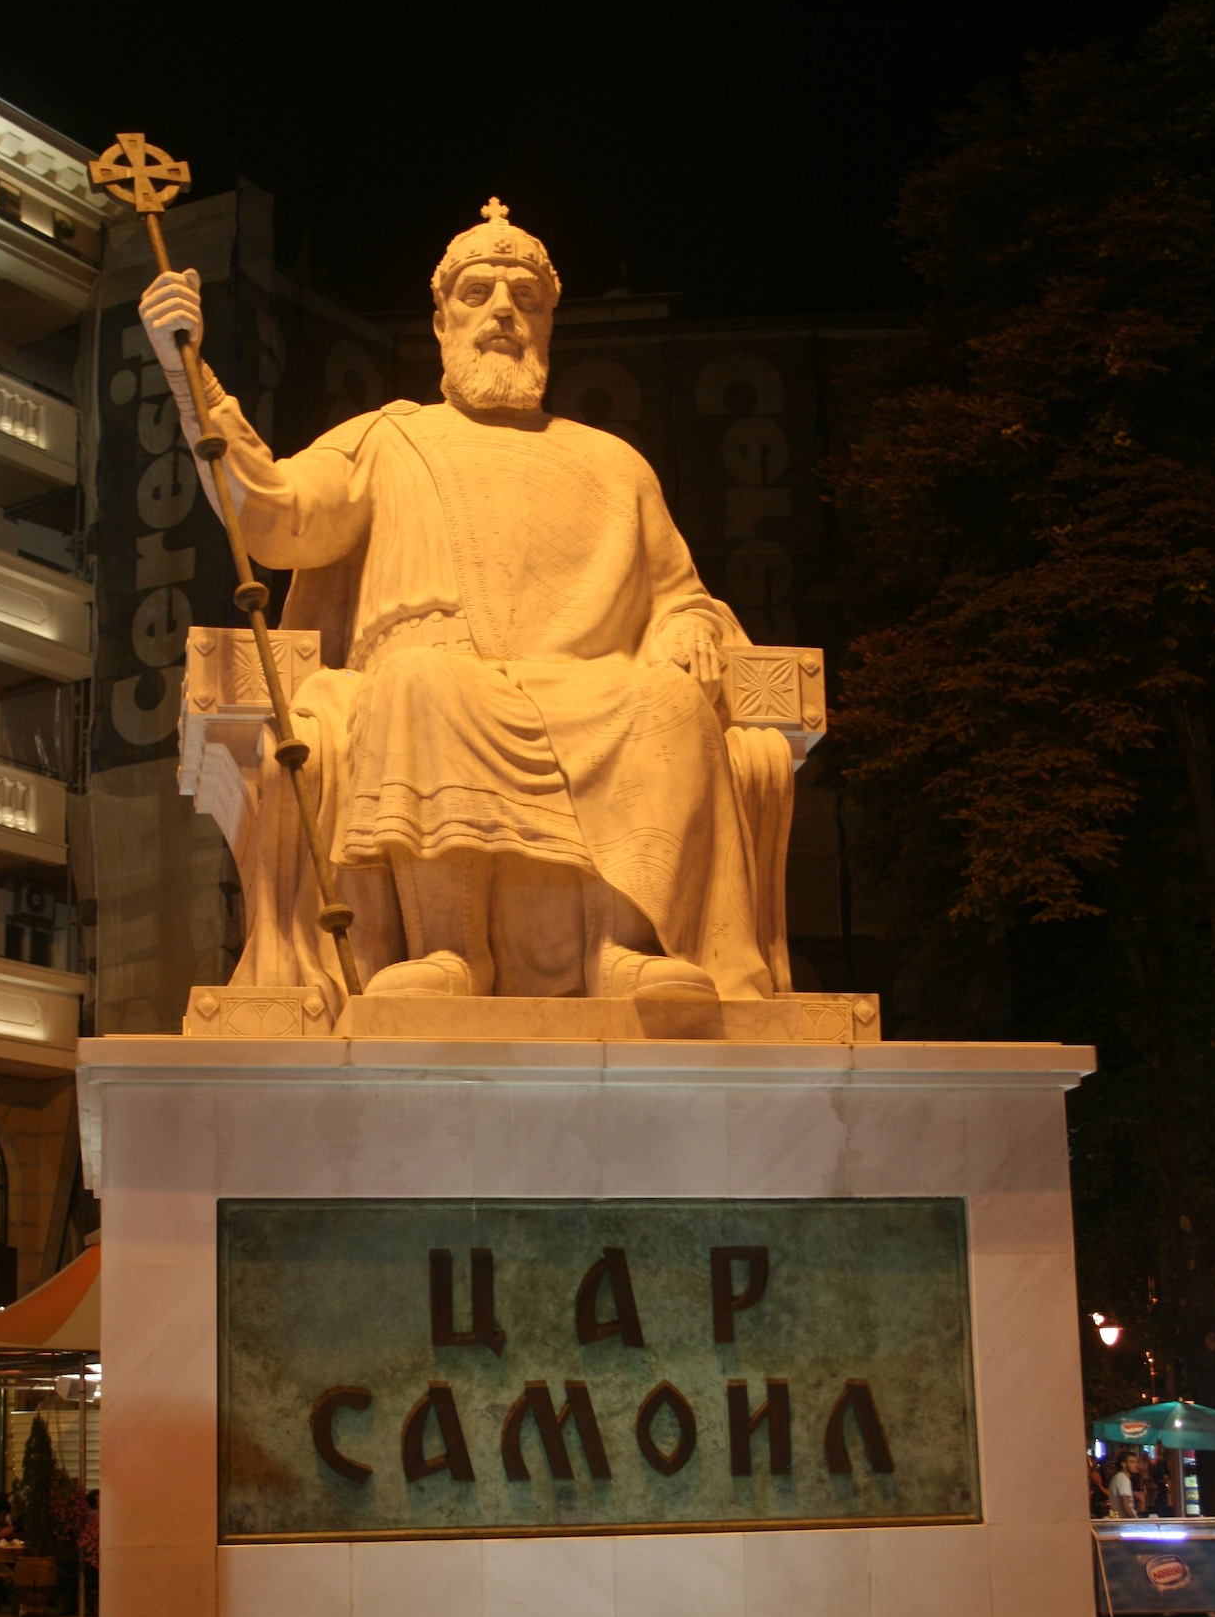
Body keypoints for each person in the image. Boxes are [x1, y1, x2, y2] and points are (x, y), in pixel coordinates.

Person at [142, 200, 793, 1014]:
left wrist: (688, 630)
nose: (501, 313)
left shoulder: (613, 464)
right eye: (478, 293)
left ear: (549, 325)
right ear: (442, 320)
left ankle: (623, 951)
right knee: (421, 682)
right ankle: (448, 951)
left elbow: (683, 598)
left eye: (524, 298)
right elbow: (274, 514)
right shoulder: (388, 438)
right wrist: (188, 373)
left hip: (587, 684)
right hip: (433, 684)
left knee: (665, 702)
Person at [1109, 1450, 1140, 1518]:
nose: (1136, 1465)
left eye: (1136, 1462)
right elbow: (1126, 1506)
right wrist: (1135, 1522)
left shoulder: (1117, 1477)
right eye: (1132, 1462)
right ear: (1123, 1464)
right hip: (1125, 1522)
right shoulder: (1123, 1479)